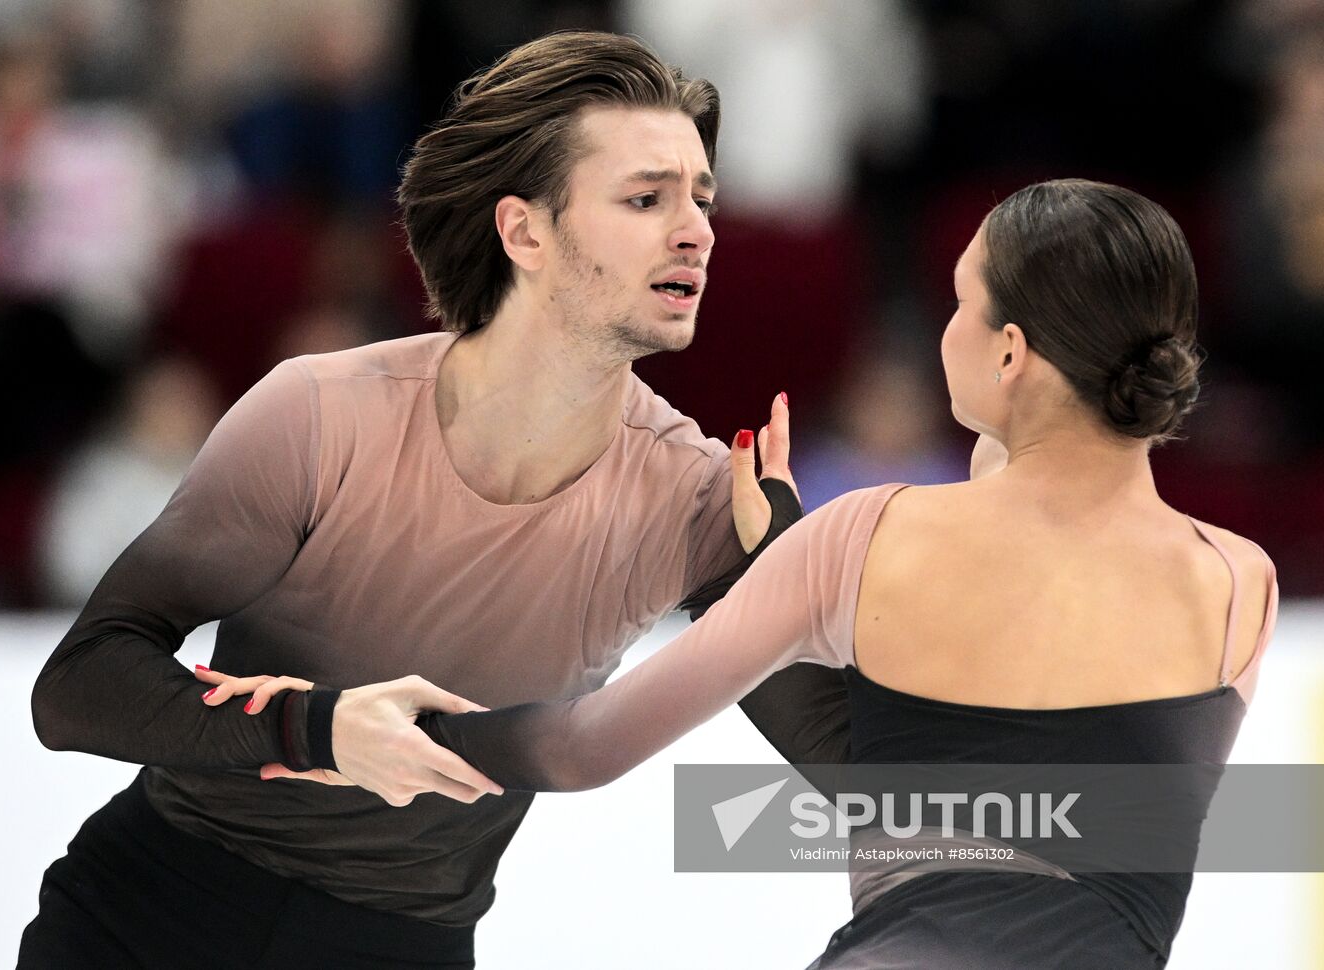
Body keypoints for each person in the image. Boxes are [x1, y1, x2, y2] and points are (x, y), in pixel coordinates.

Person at [230, 180, 1277, 968]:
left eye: (957, 303)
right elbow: (1028, 828)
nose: (938, 329)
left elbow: (583, 746)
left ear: (1007, 351)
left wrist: (362, 733)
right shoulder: (1235, 583)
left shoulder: (867, 537)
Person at [22, 31, 807, 969]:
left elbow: (884, 780)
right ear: (524, 232)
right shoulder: (321, 416)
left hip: (399, 946)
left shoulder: (697, 502)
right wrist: (315, 729)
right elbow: (76, 688)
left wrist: (785, 579)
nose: (699, 230)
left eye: (703, 198)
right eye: (648, 198)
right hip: (151, 914)